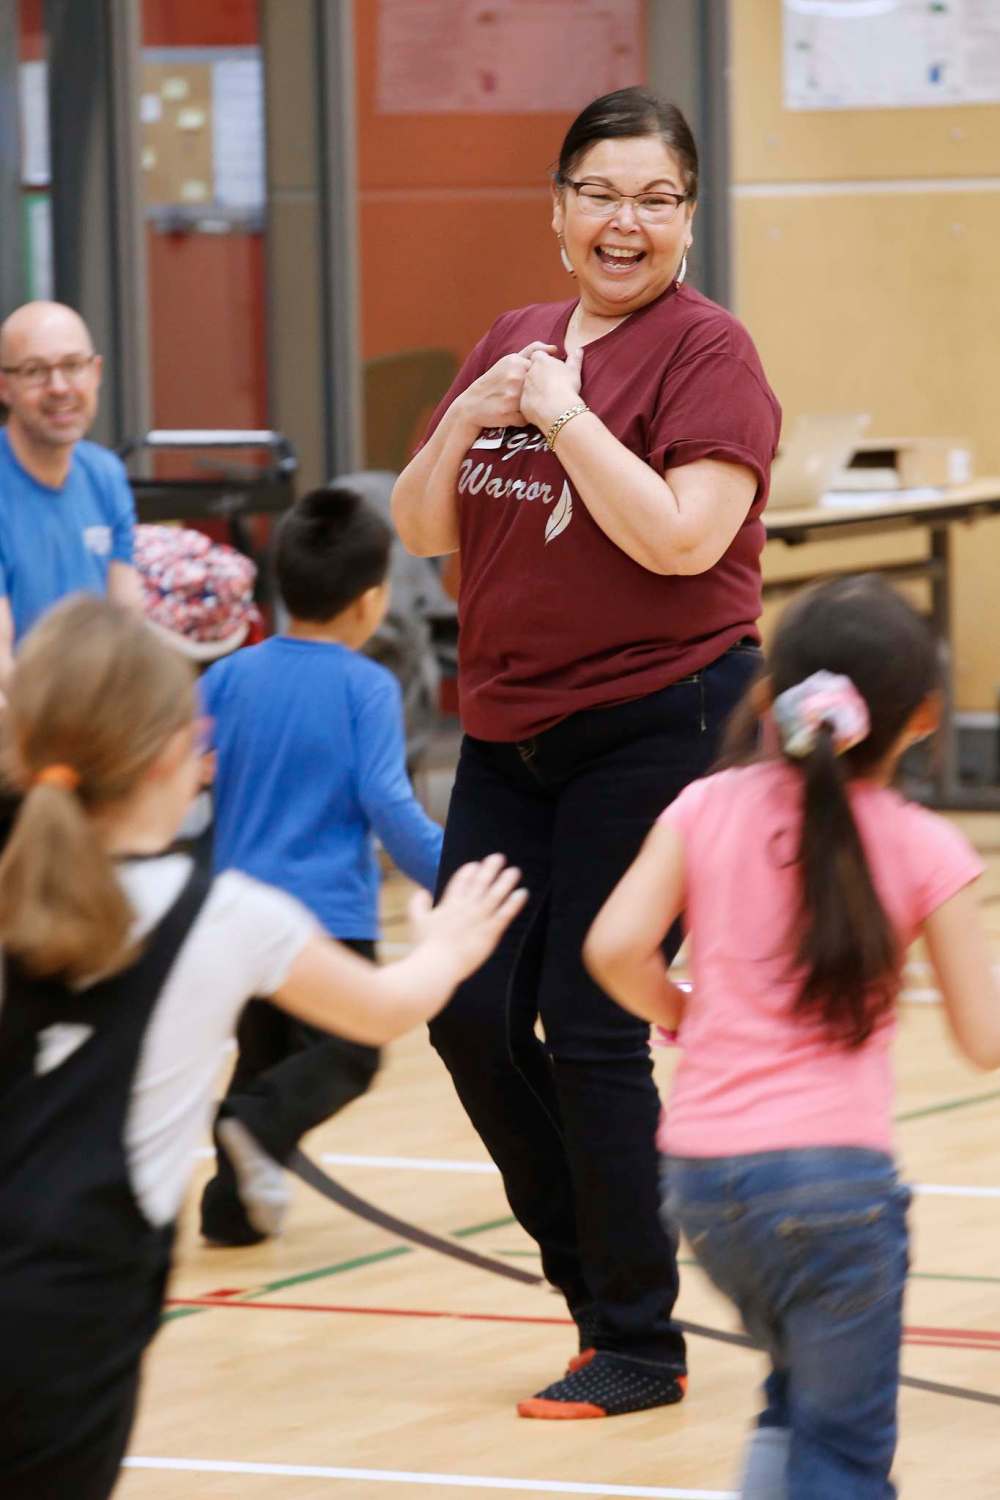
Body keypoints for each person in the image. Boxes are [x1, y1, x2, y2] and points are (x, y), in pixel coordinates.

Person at [391, 86, 781, 1417]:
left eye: (657, 198)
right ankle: (592, 1279)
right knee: (466, 1011)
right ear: (558, 214)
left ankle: (637, 1338)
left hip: (661, 722)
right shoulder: (512, 337)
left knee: (591, 1019)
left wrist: (561, 418)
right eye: (602, 195)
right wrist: (469, 416)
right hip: (509, 733)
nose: (628, 221)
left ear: (687, 219)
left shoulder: (707, 354)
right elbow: (424, 526)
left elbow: (681, 537)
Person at [0, 594, 524, 1500]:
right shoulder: (227, 918)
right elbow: (384, 1008)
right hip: (71, 1317)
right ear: (182, 754)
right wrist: (451, 944)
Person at [585, 575, 1000, 1497]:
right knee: (843, 1456)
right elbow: (984, 1038)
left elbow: (614, 947)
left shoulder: (708, 808)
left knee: (792, 1404)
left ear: (769, 697)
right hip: (835, 1192)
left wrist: (687, 1013)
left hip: (701, 1185)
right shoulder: (926, 843)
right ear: (925, 716)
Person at [197, 485, 444, 1245]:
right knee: (351, 1052)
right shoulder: (366, 685)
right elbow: (388, 804)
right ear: (373, 601)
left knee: (264, 1056)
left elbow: (187, 783)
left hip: (233, 915)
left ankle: (229, 1215)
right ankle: (250, 1129)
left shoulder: (228, 676)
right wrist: (455, 874)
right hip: (324, 918)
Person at [0, 301, 141, 685]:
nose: (59, 388)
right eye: (35, 371)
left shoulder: (106, 475)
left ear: (95, 373)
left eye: (72, 366)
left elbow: (126, 626)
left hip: (92, 716)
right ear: (4, 386)